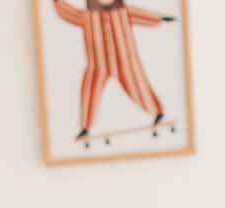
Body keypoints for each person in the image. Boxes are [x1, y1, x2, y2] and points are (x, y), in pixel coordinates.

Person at [52, 0, 174, 139]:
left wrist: (161, 18)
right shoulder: (88, 16)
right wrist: (57, 3)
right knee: (89, 91)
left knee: (138, 86)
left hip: (124, 61)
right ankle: (85, 127)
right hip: (98, 65)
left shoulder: (123, 12)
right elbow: (70, 14)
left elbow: (141, 15)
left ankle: (157, 112)